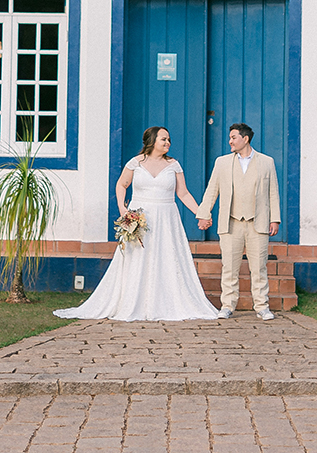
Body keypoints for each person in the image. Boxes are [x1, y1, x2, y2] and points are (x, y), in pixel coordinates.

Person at [54, 126, 220, 321]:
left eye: (168, 140)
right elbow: (121, 185)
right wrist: (123, 210)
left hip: (166, 218)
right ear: (152, 141)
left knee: (167, 256)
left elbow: (182, 193)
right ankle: (134, 301)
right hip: (140, 217)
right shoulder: (135, 163)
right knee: (138, 258)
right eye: (163, 139)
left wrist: (201, 213)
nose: (167, 143)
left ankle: (165, 302)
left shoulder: (174, 165)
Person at [197, 122, 280, 320]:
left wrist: (275, 219)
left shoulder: (267, 162)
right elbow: (212, 190)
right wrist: (203, 213)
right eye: (230, 137)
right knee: (229, 266)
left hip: (257, 222)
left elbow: (273, 193)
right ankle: (227, 305)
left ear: (246, 139)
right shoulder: (222, 162)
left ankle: (261, 306)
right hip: (231, 222)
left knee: (259, 267)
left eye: (233, 137)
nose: (230, 141)